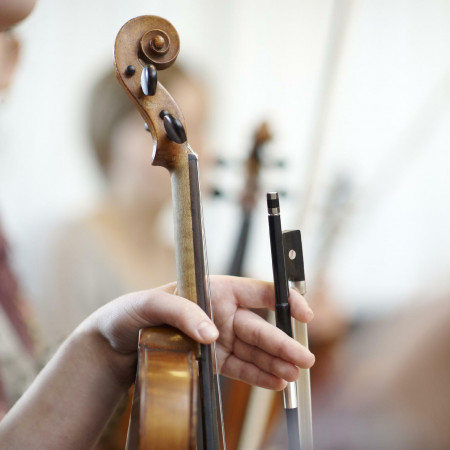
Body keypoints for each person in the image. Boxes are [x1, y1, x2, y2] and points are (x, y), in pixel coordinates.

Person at [0, 1, 315, 448]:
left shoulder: (178, 262)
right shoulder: (64, 244)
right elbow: (29, 394)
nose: (192, 141)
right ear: (112, 133)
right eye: (175, 122)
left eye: (201, 125)